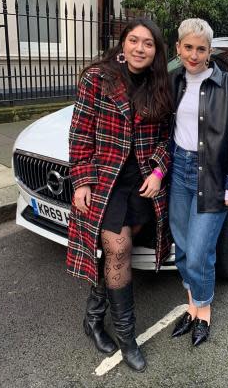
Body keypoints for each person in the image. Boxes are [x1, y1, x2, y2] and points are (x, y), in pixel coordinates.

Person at [67, 18, 173, 371]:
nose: (140, 48)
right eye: (134, 40)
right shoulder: (97, 78)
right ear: (123, 43)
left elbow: (168, 138)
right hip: (106, 180)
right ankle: (127, 337)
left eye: (148, 43)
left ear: (156, 51)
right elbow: (80, 131)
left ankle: (93, 317)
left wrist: (158, 171)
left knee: (124, 249)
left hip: (142, 182)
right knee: (117, 248)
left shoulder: (161, 85)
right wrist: (81, 181)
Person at [168, 18, 228, 346]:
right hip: (178, 172)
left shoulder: (227, 86)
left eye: (201, 49)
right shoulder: (174, 82)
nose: (194, 54)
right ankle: (191, 308)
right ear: (178, 48)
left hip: (212, 177)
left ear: (209, 51)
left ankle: (204, 313)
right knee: (185, 249)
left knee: (201, 251)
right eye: (188, 47)